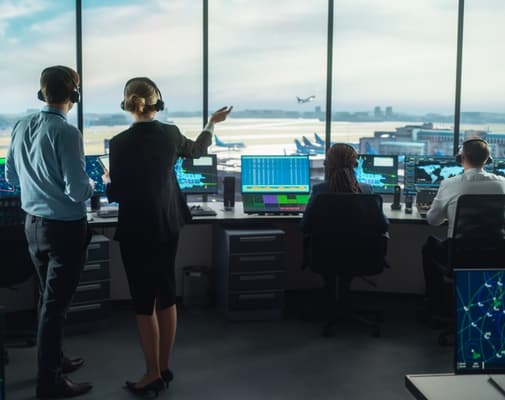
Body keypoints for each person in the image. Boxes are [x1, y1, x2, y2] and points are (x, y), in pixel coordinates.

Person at [104, 76, 232, 396]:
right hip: (168, 223)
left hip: (136, 228)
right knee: (166, 292)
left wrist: (107, 179)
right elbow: (200, 149)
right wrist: (211, 123)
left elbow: (117, 193)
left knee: (143, 301)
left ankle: (151, 373)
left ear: (127, 103)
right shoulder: (171, 133)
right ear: (157, 102)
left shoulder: (118, 143)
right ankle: (163, 366)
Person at [5, 66, 94, 398]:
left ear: (42, 94)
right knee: (55, 308)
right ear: (75, 96)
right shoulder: (67, 133)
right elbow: (76, 190)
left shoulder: (21, 124)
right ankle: (50, 381)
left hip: (33, 227)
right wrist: (95, 184)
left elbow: (12, 178)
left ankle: (54, 358)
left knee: (47, 299)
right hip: (65, 230)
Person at [421, 138, 505, 322]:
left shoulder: (450, 184)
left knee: (429, 246)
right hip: (497, 254)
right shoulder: (502, 184)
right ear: (488, 160)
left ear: (461, 158)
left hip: (459, 254)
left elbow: (433, 221)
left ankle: (437, 307)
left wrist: (447, 214)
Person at [301, 143, 389, 309]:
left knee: (332, 261)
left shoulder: (320, 191)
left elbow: (305, 226)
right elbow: (383, 226)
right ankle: (341, 298)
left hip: (324, 255)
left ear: (328, 164)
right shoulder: (366, 190)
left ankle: (331, 299)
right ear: (355, 164)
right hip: (362, 256)